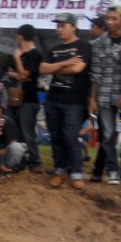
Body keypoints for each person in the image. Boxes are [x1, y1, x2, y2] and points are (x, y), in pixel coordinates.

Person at [41, 13, 91, 189]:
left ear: (73, 27)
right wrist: (66, 62)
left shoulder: (83, 46)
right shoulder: (54, 49)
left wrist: (55, 67)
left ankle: (76, 173)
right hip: (53, 98)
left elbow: (78, 68)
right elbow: (42, 68)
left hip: (74, 101)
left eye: (63, 25)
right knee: (55, 136)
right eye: (57, 26)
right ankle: (59, 171)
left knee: (70, 135)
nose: (59, 29)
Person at [88, 6, 121, 185]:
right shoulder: (99, 43)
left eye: (114, 18)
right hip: (104, 95)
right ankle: (113, 171)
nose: (110, 22)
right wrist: (92, 98)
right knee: (107, 135)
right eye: (108, 18)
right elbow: (95, 73)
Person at [7, 25, 44, 173]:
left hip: (29, 99)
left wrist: (17, 59)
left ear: (20, 36)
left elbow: (23, 76)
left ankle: (35, 161)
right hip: (16, 98)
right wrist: (18, 74)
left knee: (28, 132)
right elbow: (11, 72)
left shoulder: (34, 54)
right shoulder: (22, 53)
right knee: (17, 131)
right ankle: (20, 160)